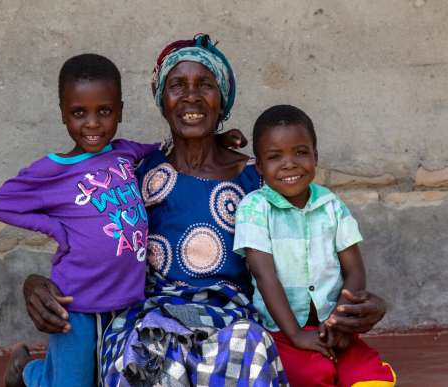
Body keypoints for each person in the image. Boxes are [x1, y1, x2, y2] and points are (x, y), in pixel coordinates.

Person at [22, 35, 387, 387]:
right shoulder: (130, 173)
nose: (191, 96)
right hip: (149, 315)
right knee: (143, 361)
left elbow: (310, 250)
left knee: (251, 353)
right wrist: (36, 283)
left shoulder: (259, 177)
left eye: (205, 85)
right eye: (177, 85)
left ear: (222, 99)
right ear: (163, 98)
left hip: (234, 318)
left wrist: (356, 306)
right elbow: (89, 244)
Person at [0, 53, 161, 387]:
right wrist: (55, 228)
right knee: (71, 383)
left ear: (120, 110)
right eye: (79, 113)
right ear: (63, 113)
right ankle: (26, 373)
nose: (92, 124)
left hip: (126, 303)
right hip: (76, 304)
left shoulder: (125, 152)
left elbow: (165, 149)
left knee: (106, 376)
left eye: (104, 111)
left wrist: (220, 141)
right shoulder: (54, 169)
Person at [233, 104, 396, 387]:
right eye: (274, 156)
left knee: (370, 377)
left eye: (300, 152)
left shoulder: (330, 204)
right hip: (282, 331)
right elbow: (264, 275)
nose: (289, 164)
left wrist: (340, 323)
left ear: (315, 156)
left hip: (331, 325)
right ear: (259, 165)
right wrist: (296, 334)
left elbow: (354, 270)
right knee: (312, 375)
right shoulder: (254, 208)